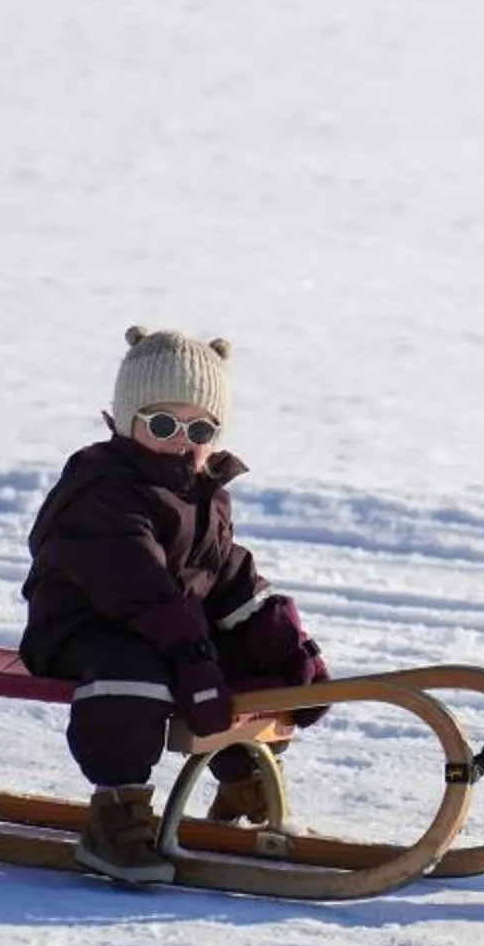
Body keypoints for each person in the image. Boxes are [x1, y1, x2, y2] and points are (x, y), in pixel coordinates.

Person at [20, 325, 331, 883]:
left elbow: (225, 573)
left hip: (166, 629)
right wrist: (192, 657)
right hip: (83, 631)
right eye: (163, 424)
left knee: (238, 656)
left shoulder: (204, 493)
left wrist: (284, 641)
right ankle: (115, 817)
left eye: (200, 427)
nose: (182, 440)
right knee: (135, 673)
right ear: (125, 421)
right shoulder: (103, 490)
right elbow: (138, 587)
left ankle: (239, 776)